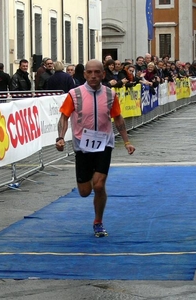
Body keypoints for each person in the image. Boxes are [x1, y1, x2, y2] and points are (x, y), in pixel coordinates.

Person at [55, 59, 135, 238]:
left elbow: (118, 118)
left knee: (99, 185)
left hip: (104, 143)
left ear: (103, 74)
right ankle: (90, 177)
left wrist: (127, 142)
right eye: (89, 72)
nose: (93, 75)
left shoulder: (110, 94)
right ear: (84, 75)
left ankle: (98, 221)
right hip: (82, 145)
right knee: (85, 192)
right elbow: (64, 118)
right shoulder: (74, 94)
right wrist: (60, 138)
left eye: (97, 72)